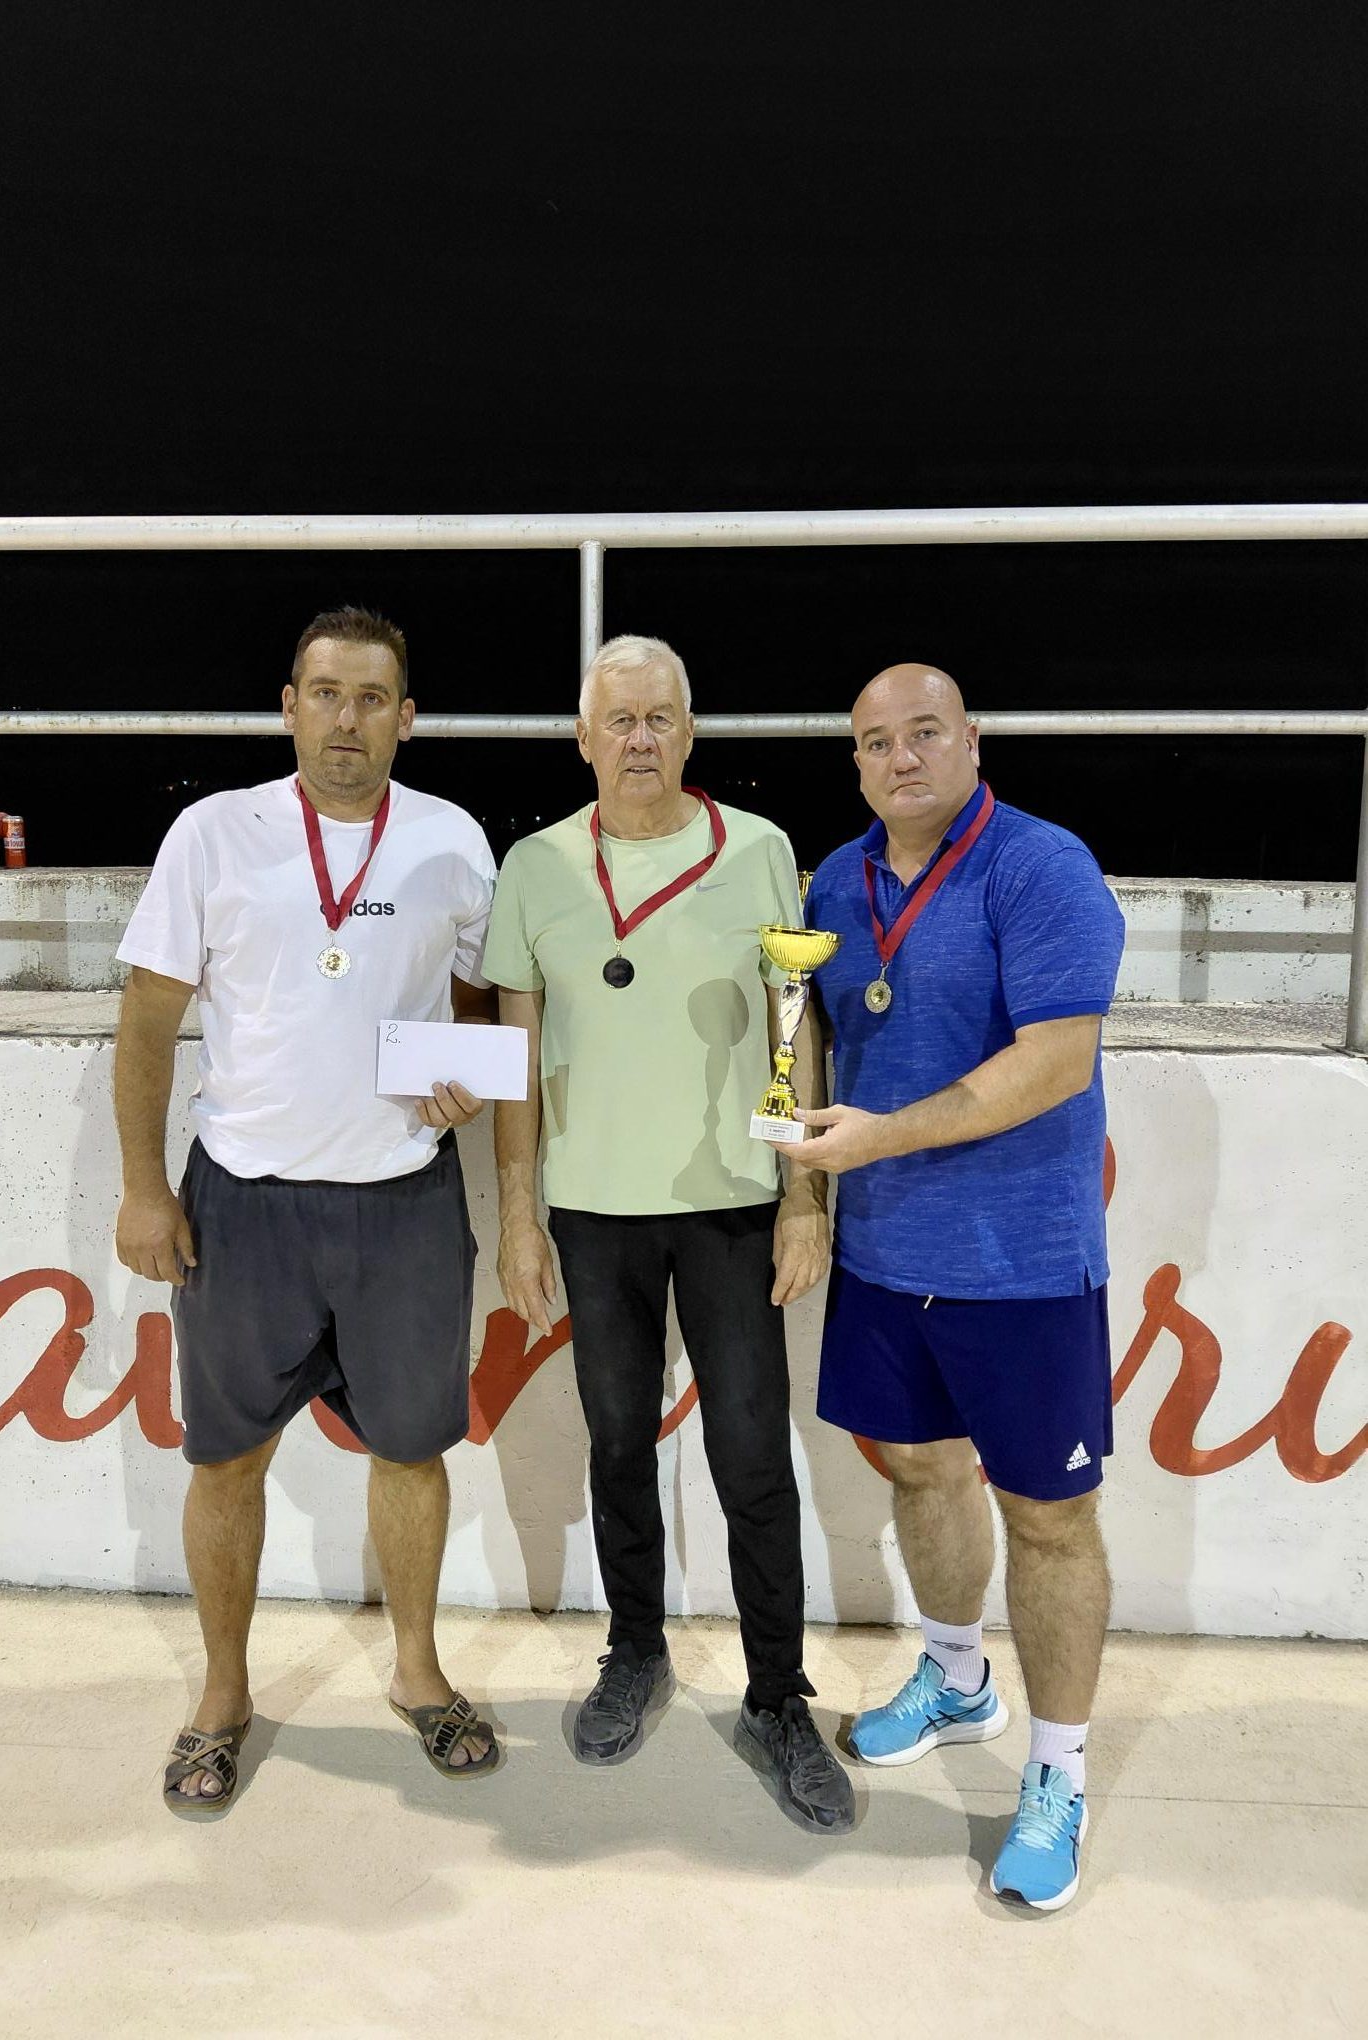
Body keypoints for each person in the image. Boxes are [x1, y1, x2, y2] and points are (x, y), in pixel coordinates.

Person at [114, 605, 502, 1810]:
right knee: (226, 1461)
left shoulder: (452, 839)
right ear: (289, 707)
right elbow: (147, 1019)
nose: (347, 719)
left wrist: (464, 1078)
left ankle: (417, 1672)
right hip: (246, 1203)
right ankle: (223, 1694)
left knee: (413, 1453)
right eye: (325, 694)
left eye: (372, 698)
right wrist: (143, 1189)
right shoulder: (213, 834)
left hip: (403, 1202)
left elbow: (480, 1007)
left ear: (406, 717)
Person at [484, 633, 855, 1836]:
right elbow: (516, 1057)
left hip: (734, 1206)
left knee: (752, 1458)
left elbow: (794, 1024)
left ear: (689, 734)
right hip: (592, 1212)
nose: (640, 739)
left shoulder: (759, 850)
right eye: (619, 719)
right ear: (583, 738)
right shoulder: (536, 866)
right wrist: (521, 1217)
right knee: (616, 1445)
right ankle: (635, 1650)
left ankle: (778, 1696)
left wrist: (803, 1196)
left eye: (660, 719)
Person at [782, 661, 1126, 1909]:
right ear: (858, 764)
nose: (903, 758)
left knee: (1049, 1518)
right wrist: (807, 1188)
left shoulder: (1041, 868)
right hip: (884, 1255)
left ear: (971, 740)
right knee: (924, 1472)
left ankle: (1057, 1772)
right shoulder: (836, 881)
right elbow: (811, 1030)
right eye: (877, 742)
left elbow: (1055, 1062)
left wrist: (880, 1136)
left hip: (1020, 1263)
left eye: (925, 733)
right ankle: (958, 1677)